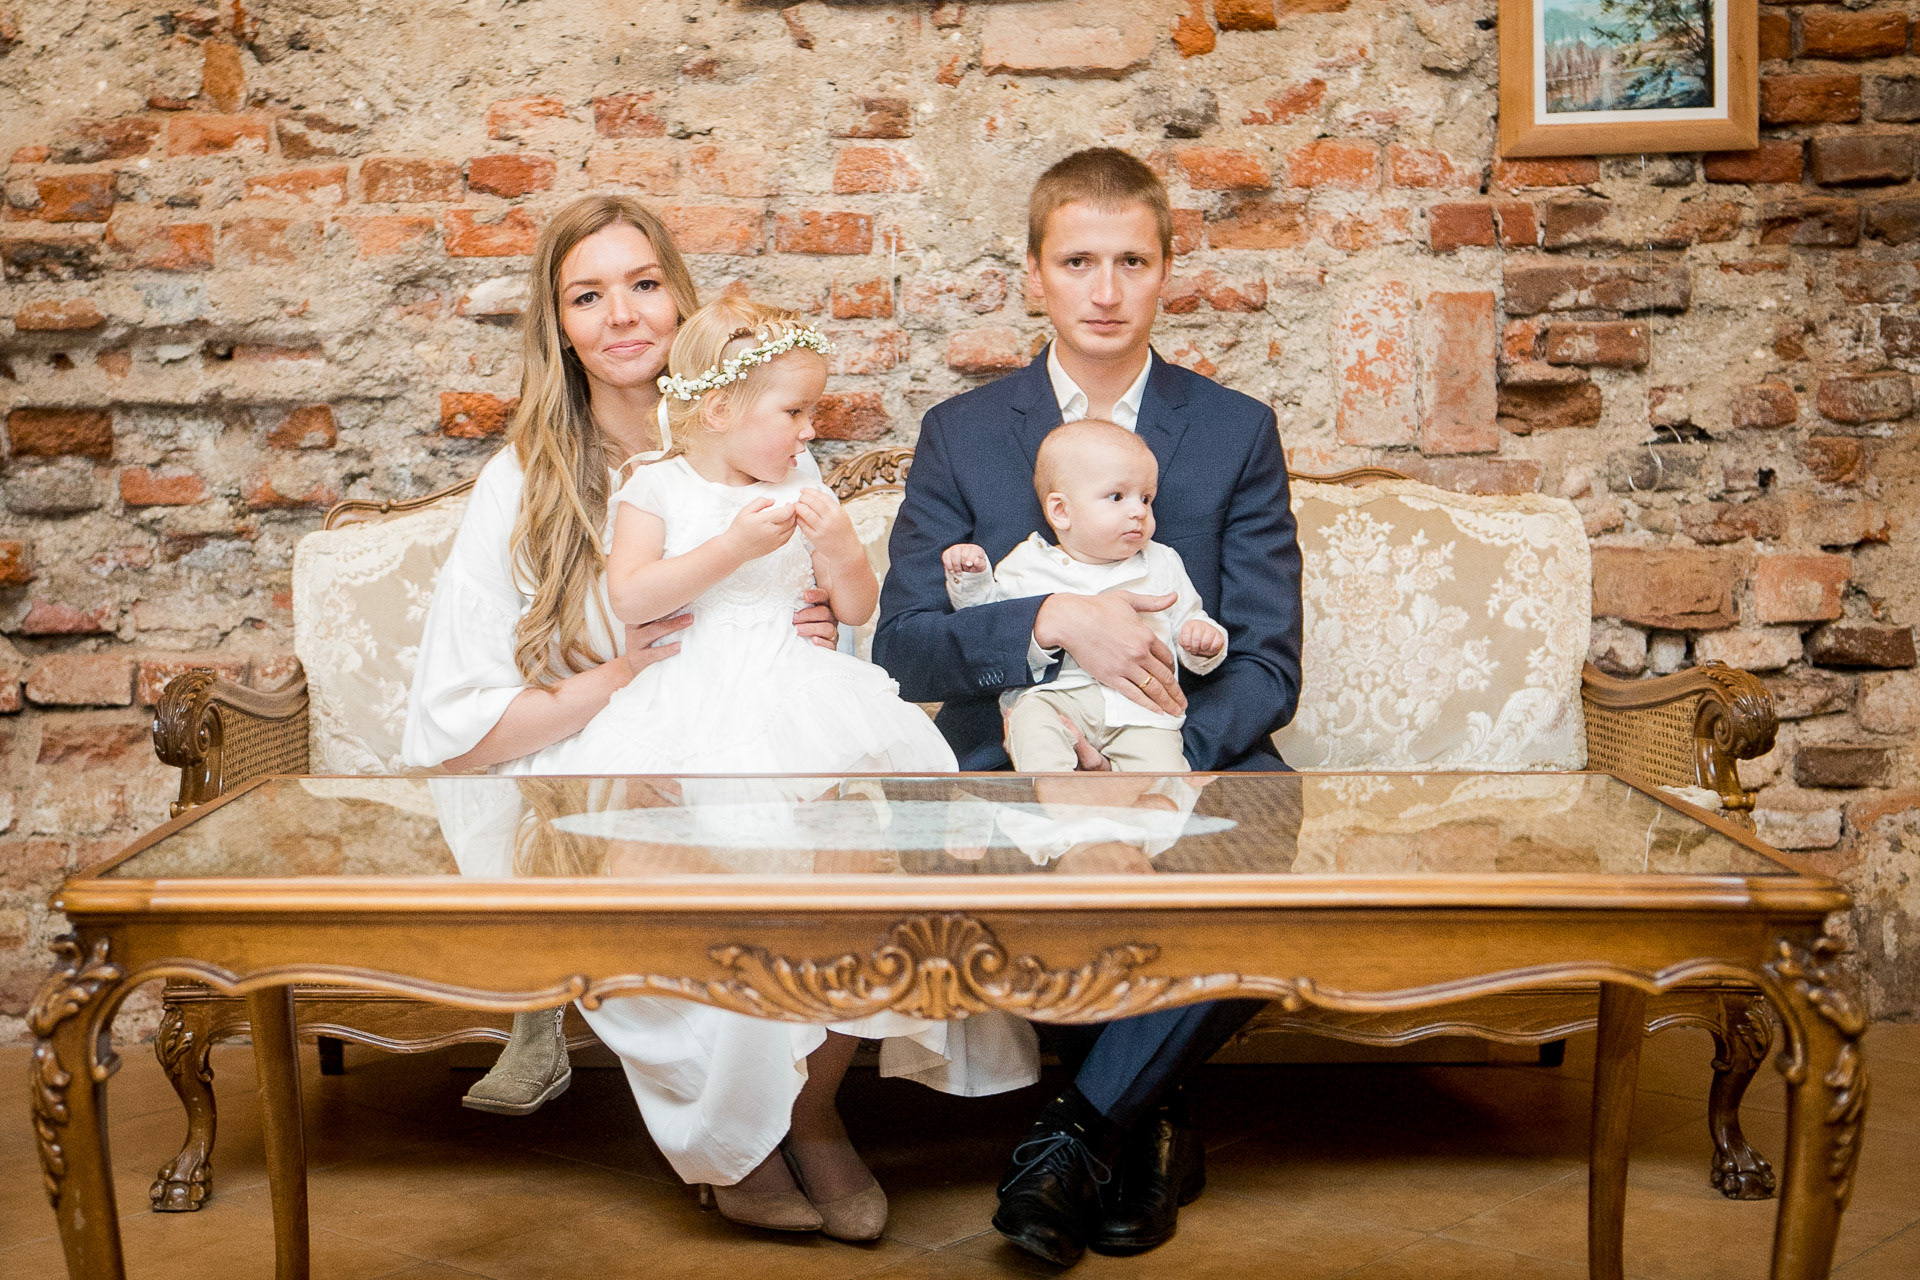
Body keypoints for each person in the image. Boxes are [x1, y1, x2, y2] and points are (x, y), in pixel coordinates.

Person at [402, 198, 1033, 1241]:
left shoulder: (766, 442)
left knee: (850, 838)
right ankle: (736, 1135)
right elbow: (461, 715)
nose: (621, 315)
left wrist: (825, 621)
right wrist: (618, 678)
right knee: (701, 850)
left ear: (682, 300)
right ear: (559, 326)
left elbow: (840, 617)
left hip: (770, 722)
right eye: (587, 295)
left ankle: (812, 1111)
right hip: (602, 738)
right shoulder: (528, 479)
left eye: (644, 283)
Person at [873, 147, 1303, 1265]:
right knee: (960, 834)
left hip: (1191, 742)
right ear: (1033, 274)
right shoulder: (963, 432)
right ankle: (1148, 1120)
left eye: (1131, 262)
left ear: (1166, 272)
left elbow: (1268, 659)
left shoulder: (1236, 429)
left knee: (1267, 849)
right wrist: (1055, 618)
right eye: (1077, 262)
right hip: (1015, 746)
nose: (1104, 290)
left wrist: (1162, 754)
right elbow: (904, 644)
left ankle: (1075, 1131)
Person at [942, 418, 1227, 772]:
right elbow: (989, 626)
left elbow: (1189, 618)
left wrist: (1201, 641)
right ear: (1061, 511)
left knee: (1163, 779)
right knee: (1032, 722)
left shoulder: (1162, 562)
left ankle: (1156, 804)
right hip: (1056, 697)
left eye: (1146, 498)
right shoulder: (1027, 563)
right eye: (1117, 497)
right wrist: (971, 578)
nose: (1139, 511)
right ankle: (1055, 793)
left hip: (1142, 710)